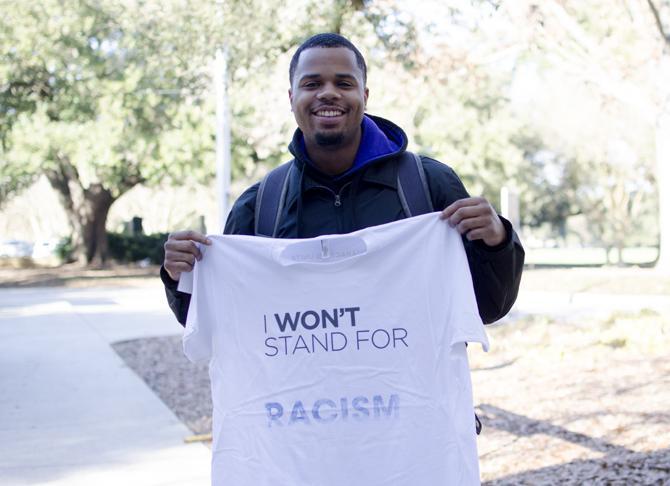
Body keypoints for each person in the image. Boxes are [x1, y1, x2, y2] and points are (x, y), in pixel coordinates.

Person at [161, 33, 524, 324]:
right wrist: (180, 278)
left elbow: (488, 307)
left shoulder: (428, 184)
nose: (328, 92)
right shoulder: (259, 206)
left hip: (412, 411)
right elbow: (221, 321)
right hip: (299, 411)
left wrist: (496, 241)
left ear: (364, 95)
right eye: (312, 83)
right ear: (292, 98)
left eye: (344, 83)